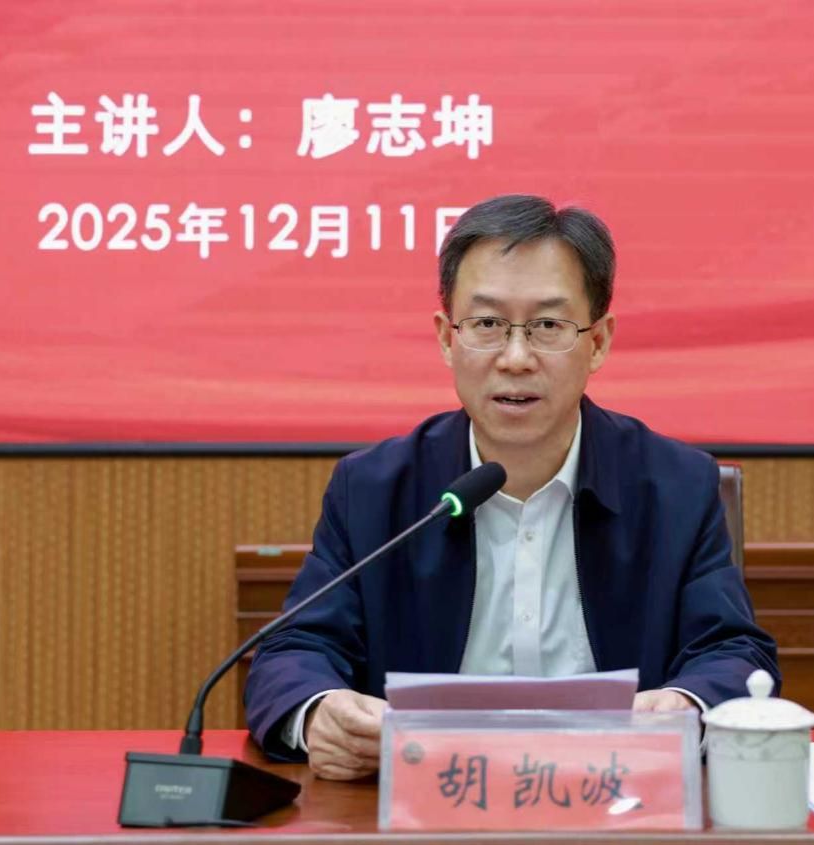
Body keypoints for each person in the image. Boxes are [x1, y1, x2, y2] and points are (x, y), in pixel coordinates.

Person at [244, 194, 779, 780]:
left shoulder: (676, 486)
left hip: (618, 798)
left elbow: (733, 653)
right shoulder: (374, 489)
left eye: (548, 326)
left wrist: (684, 705)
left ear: (598, 342)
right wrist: (321, 711)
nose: (516, 358)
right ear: (447, 338)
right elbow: (293, 652)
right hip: (429, 798)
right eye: (487, 325)